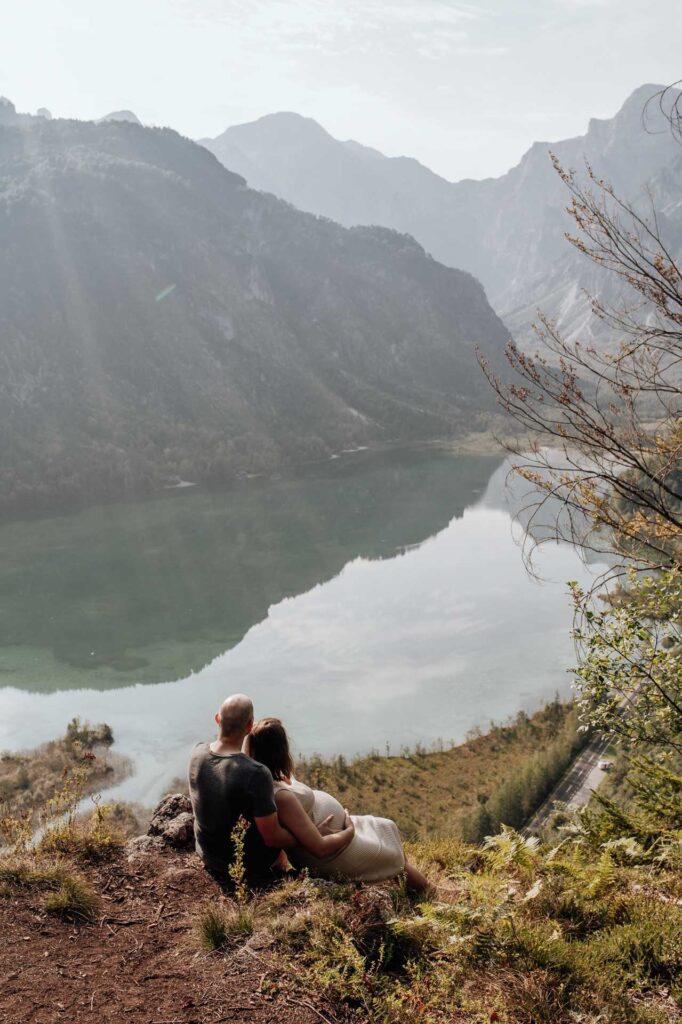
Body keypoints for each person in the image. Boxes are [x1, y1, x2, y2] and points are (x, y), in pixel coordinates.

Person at [188, 694, 355, 888]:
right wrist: (335, 832)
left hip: (207, 853)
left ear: (217, 718)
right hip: (245, 865)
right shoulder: (256, 773)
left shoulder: (197, 751)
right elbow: (272, 837)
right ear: (249, 725)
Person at [247, 717, 429, 891]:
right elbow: (320, 848)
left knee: (385, 827)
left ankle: (418, 888)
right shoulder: (279, 796)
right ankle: (428, 891)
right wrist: (349, 831)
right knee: (391, 856)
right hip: (331, 853)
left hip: (334, 837)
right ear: (280, 751)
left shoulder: (274, 776)